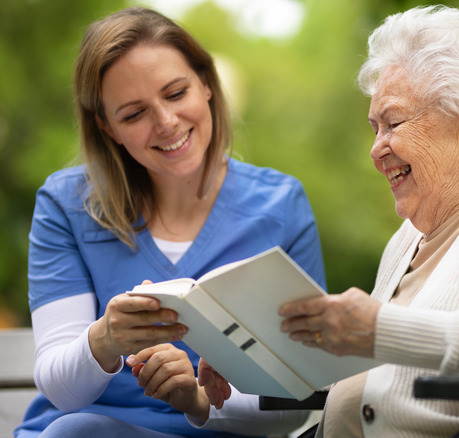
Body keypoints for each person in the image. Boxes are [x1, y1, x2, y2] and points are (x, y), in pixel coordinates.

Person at [164, 5, 459, 437]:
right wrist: (250, 354)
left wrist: (381, 329)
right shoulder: (408, 240)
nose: (376, 148)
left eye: (393, 123)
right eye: (375, 128)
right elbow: (373, 373)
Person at [15, 7, 324, 438]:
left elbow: (300, 395)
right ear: (108, 128)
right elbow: (62, 391)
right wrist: (107, 338)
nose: (166, 123)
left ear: (206, 85)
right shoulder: (66, 206)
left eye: (176, 93)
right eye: (134, 114)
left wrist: (197, 400)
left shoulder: (280, 206)